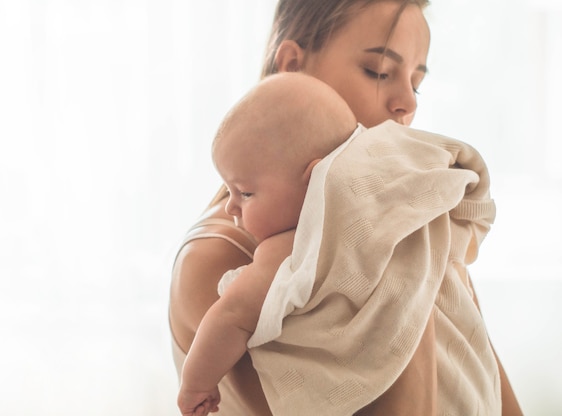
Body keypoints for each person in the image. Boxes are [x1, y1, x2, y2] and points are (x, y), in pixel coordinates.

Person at [169, 1, 523, 415]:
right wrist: (397, 247)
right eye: (379, 72)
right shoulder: (220, 261)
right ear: (292, 66)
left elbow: (494, 388)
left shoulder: (417, 213)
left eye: (416, 82)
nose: (407, 103)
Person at [177, 72, 359, 416]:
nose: (231, 206)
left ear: (314, 182)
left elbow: (230, 317)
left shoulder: (284, 250)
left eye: (245, 192)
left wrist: (195, 385)